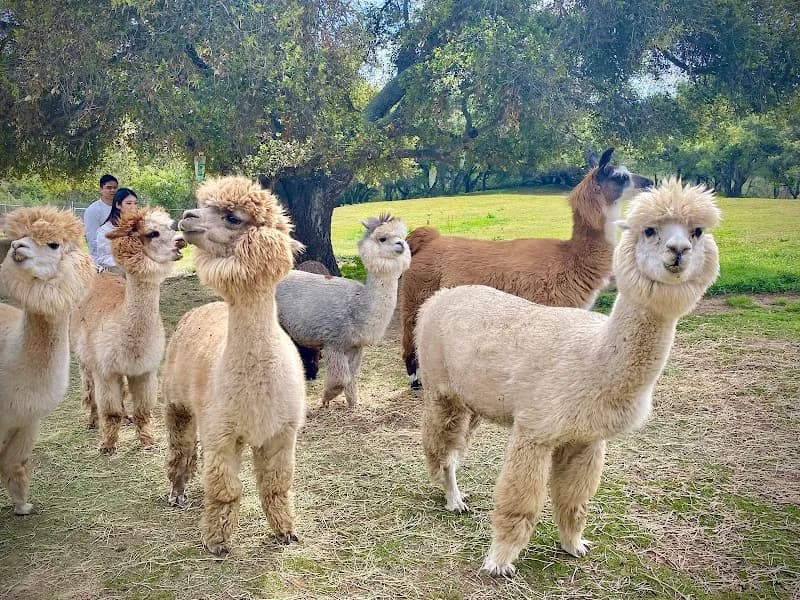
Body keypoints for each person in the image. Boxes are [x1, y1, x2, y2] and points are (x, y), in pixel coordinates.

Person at [95, 188, 138, 274]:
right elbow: (103, 258)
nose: (133, 207)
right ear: (118, 205)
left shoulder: (139, 227)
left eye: (135, 203)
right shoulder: (105, 230)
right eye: (128, 203)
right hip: (114, 276)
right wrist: (129, 262)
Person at [84, 174, 119, 265]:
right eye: (109, 187)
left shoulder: (122, 208)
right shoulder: (93, 210)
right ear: (101, 189)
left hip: (121, 259)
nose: (112, 190)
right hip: (101, 261)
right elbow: (92, 239)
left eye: (115, 188)